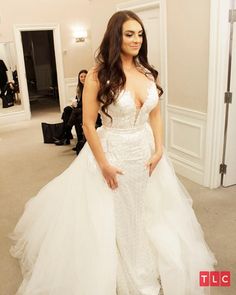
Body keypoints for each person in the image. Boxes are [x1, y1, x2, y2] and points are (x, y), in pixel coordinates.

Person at [10, 10, 217, 295]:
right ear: (115, 36)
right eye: (129, 34)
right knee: (119, 215)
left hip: (146, 152)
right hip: (114, 152)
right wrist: (104, 164)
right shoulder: (98, 74)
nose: (137, 40)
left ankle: (153, 262)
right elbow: (87, 124)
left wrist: (159, 148)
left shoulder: (145, 71)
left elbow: (154, 113)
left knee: (152, 210)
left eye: (140, 34)